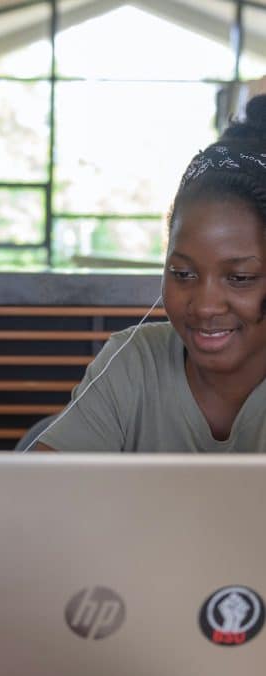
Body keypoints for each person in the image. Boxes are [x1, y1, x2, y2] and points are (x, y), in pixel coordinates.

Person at [38, 94, 266, 453]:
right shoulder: (134, 364)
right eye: (182, 273)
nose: (205, 307)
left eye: (239, 278)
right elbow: (41, 495)